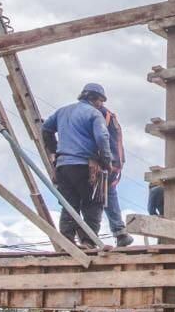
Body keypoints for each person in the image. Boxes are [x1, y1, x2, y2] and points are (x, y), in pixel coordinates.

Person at [41, 83, 113, 248]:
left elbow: (46, 129)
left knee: (69, 204)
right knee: (93, 203)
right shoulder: (94, 114)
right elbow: (102, 137)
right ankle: (88, 242)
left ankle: (67, 240)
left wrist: (54, 150)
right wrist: (107, 161)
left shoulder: (62, 111)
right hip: (85, 166)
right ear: (95, 99)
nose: (102, 105)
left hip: (63, 166)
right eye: (101, 101)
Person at [97, 101, 134, 247]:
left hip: (106, 163)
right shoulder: (109, 116)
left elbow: (100, 138)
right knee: (109, 194)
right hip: (113, 162)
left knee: (93, 197)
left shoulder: (98, 114)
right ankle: (120, 232)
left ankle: (88, 236)